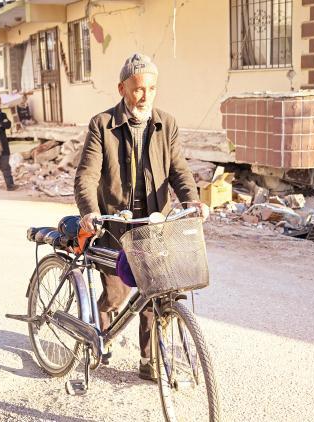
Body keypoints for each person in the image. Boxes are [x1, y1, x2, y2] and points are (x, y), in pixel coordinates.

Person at [74, 53, 209, 381]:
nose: (145, 96)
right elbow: (87, 175)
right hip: (116, 228)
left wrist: (194, 201)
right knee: (117, 294)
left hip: (154, 227)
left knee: (156, 292)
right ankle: (100, 331)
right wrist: (90, 211)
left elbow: (179, 170)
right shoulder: (102, 125)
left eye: (152, 88)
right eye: (137, 89)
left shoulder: (166, 123)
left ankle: (150, 361)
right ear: (122, 89)